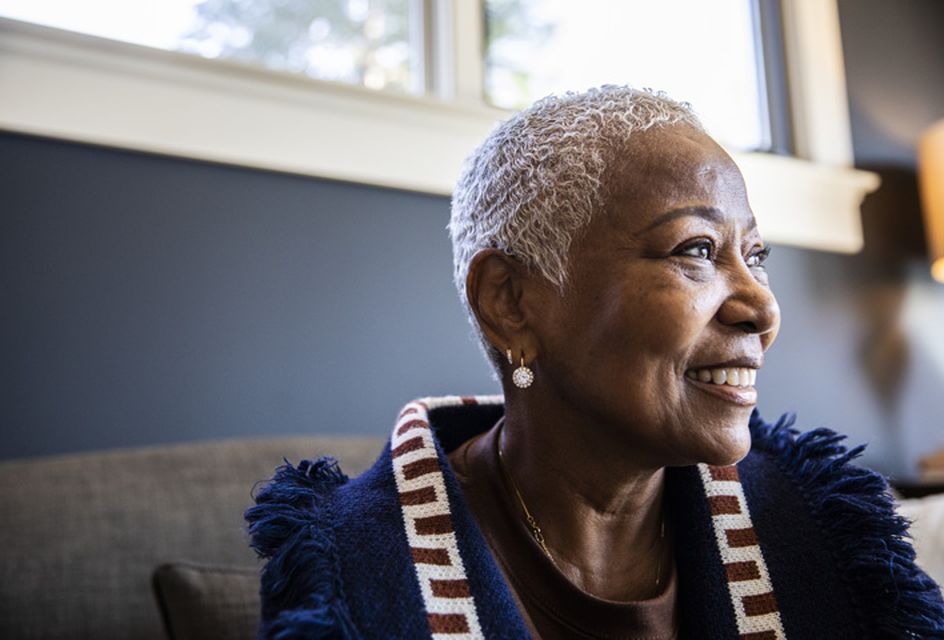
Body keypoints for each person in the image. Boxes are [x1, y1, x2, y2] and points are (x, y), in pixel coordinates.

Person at [246, 86, 944, 639]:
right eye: (696, 250)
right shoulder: (352, 575)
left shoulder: (822, 534)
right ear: (511, 302)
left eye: (755, 256)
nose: (761, 307)